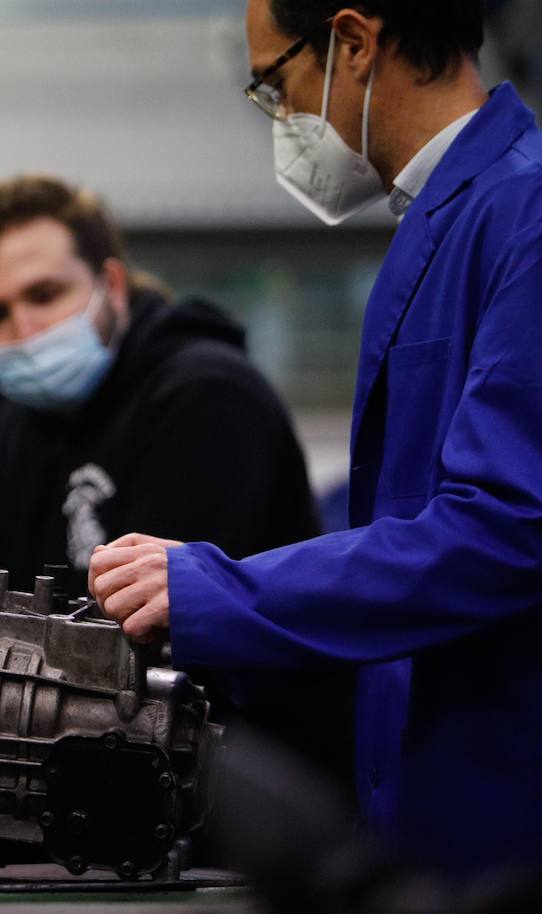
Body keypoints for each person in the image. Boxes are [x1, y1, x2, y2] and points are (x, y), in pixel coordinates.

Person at [91, 0, 542, 872]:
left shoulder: (523, 216)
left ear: (355, 41)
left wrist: (224, 592)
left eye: (275, 84)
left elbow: (507, 528)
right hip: (435, 799)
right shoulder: (449, 220)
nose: (283, 116)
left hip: (504, 814)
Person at [0, 175, 320, 592]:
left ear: (112, 285)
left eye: (44, 295)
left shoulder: (209, 394)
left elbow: (171, 624)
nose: (24, 330)